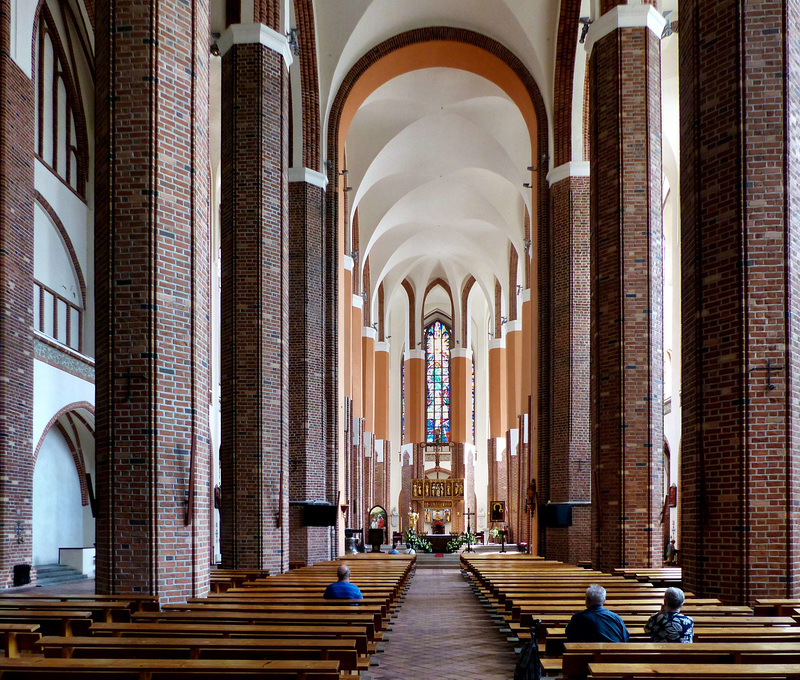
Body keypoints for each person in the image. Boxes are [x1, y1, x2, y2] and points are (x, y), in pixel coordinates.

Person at [565, 584, 630, 643]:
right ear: (604, 600)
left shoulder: (578, 617)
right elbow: (625, 637)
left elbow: (570, 635)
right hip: (615, 655)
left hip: (590, 654)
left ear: (587, 600)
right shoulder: (616, 617)